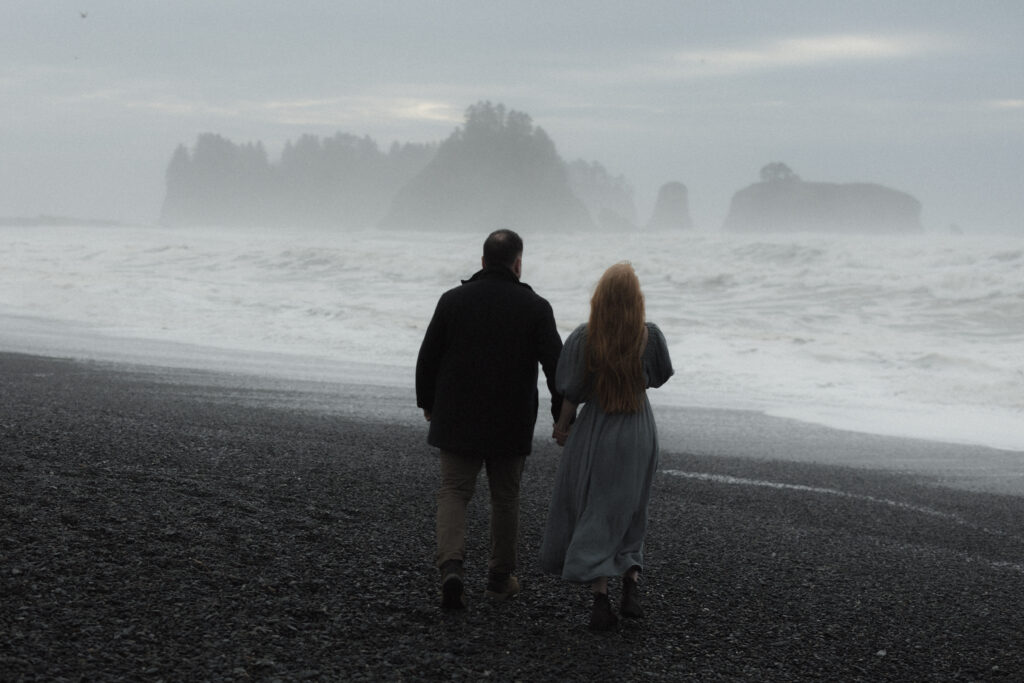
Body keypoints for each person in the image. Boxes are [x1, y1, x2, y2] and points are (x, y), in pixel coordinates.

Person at [416, 229, 563, 610]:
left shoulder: (452, 300)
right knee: (505, 498)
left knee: (454, 491)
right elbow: (556, 368)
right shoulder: (536, 307)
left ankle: (451, 567)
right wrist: (562, 414)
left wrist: (428, 403)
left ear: (482, 262)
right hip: (510, 419)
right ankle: (499, 579)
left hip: (456, 416)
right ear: (518, 263)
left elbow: (428, 357)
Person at [539, 262, 673, 631]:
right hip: (638, 431)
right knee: (633, 508)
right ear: (636, 300)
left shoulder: (586, 338)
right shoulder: (651, 337)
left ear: (601, 298)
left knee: (595, 508)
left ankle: (600, 597)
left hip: (598, 430)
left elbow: (572, 391)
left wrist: (562, 426)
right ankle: (631, 585)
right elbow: (658, 377)